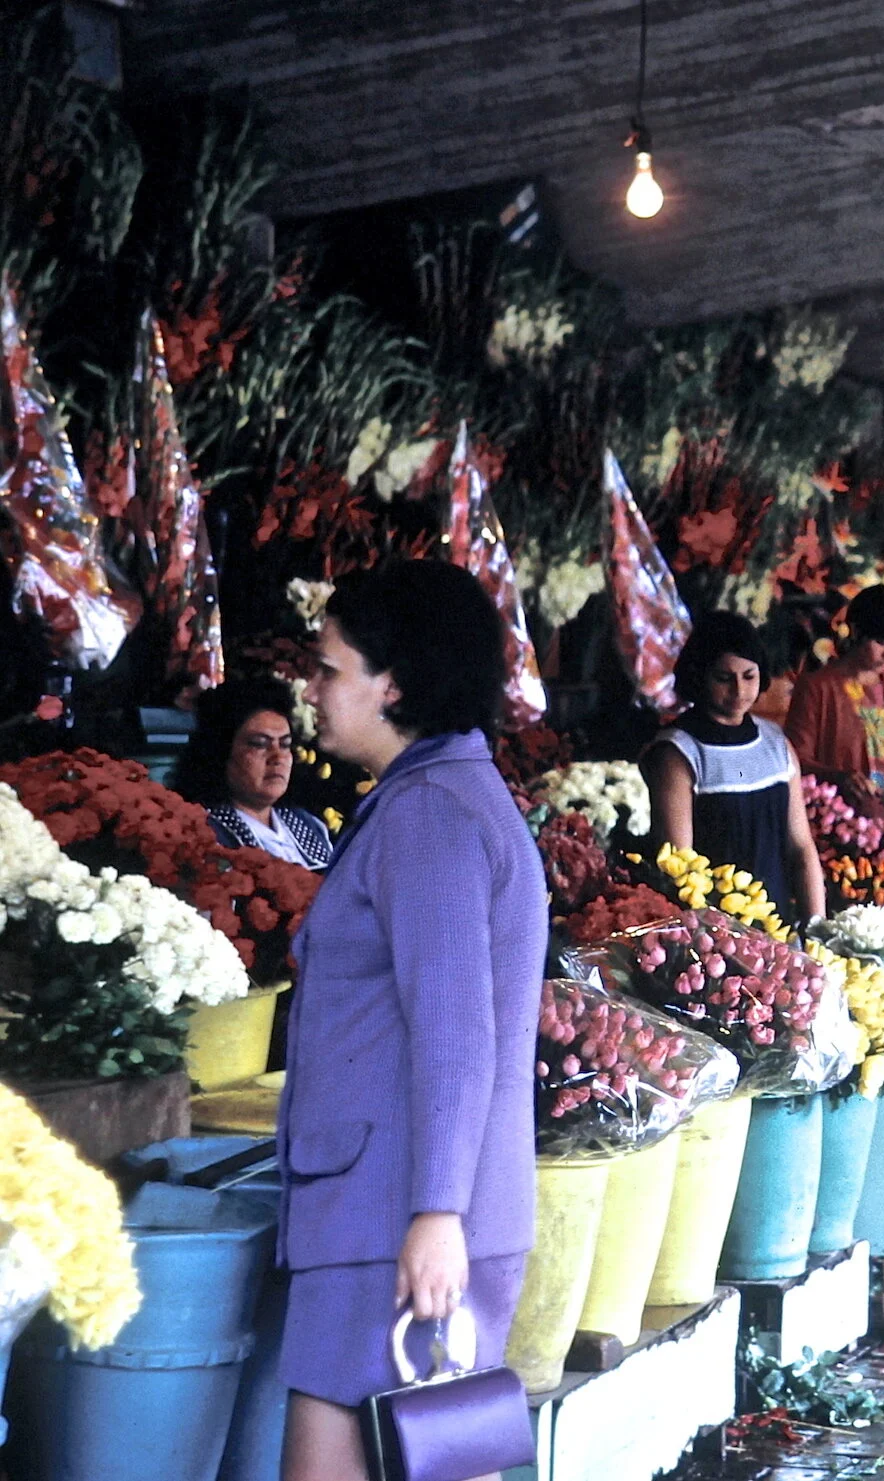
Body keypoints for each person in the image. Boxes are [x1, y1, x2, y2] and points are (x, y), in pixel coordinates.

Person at [280, 559, 544, 1481]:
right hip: (396, 1206)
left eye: (327, 668)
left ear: (393, 684)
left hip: (394, 1215)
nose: (311, 688)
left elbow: (457, 1038)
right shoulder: (436, 794)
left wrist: (436, 1213)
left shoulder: (428, 812)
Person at [642, 611, 826, 923]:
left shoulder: (775, 743)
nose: (739, 691)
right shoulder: (679, 753)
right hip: (713, 933)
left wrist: (817, 926)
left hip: (778, 925)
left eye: (749, 677)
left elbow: (801, 848)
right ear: (701, 676)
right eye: (724, 678)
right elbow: (678, 869)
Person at [785, 584, 884, 813]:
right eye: (881, 642)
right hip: (842, 817)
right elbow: (796, 759)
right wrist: (839, 777)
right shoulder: (817, 687)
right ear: (856, 631)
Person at [172, 676, 334, 870]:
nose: (278, 757)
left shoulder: (309, 826)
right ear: (221, 752)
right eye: (260, 744)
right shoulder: (204, 832)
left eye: (285, 745)